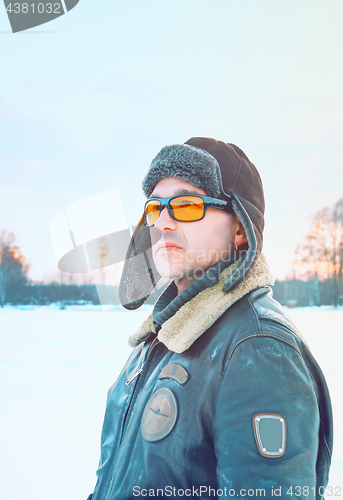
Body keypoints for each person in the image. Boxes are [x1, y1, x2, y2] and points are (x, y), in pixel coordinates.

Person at [87, 138, 333, 500]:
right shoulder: (161, 338)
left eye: (186, 205)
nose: (164, 223)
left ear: (239, 228)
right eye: (155, 208)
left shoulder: (258, 348)